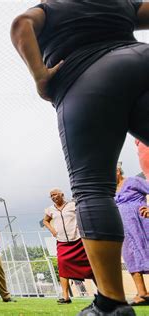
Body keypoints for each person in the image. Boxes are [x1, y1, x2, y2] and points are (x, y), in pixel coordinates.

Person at [11, 1, 149, 314]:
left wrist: (40, 78)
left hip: (87, 76)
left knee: (92, 187)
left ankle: (110, 304)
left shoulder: (52, 7)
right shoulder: (119, 2)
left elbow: (22, 25)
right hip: (142, 58)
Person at [42, 189, 94, 305]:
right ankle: (65, 297)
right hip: (62, 241)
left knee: (90, 265)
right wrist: (52, 230)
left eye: (55, 194)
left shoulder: (72, 205)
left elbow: (83, 215)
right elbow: (45, 221)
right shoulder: (50, 210)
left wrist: (81, 228)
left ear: (62, 195)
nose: (53, 197)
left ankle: (103, 293)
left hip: (77, 239)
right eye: (51, 196)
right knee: (62, 265)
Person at [115, 163, 149, 306]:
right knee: (130, 257)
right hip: (123, 229)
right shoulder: (108, 191)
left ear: (117, 171)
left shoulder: (133, 181)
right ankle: (142, 293)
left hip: (142, 223)